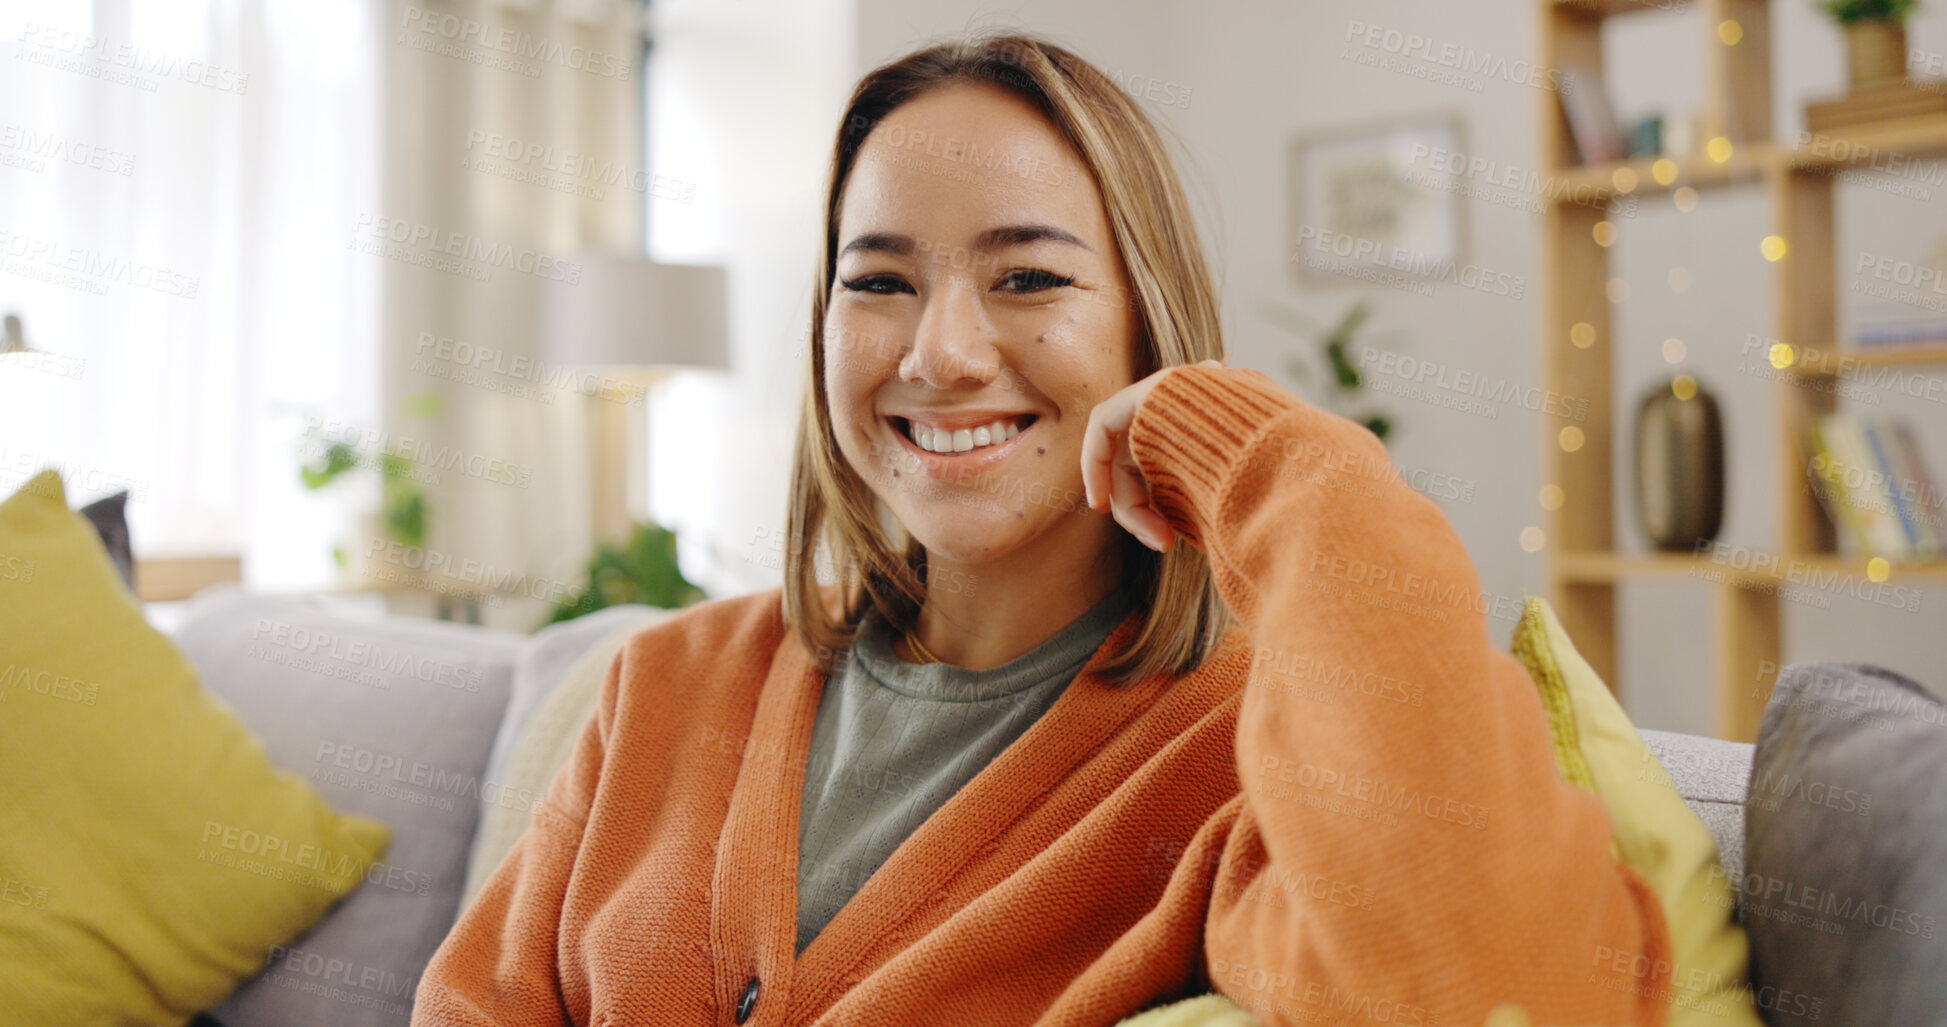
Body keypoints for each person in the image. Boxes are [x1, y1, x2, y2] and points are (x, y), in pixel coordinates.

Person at [413, 33, 1672, 1027]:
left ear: (1146, 327)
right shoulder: (667, 682)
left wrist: (1275, 462)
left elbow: (1482, 985)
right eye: (878, 280)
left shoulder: (1237, 747)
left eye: (1031, 278)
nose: (941, 352)